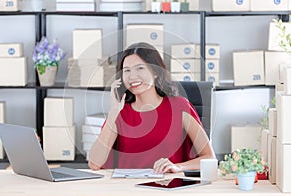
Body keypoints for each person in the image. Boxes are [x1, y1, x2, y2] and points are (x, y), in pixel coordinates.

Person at [88, 42, 215, 174]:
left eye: (140, 68)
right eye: (127, 70)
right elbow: (94, 164)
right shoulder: (120, 112)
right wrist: (113, 112)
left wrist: (179, 167)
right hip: (128, 190)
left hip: (167, 187)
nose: (132, 76)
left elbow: (209, 158)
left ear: (156, 72)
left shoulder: (179, 107)